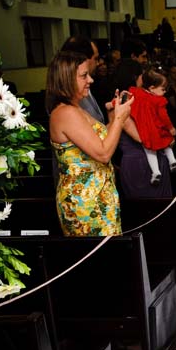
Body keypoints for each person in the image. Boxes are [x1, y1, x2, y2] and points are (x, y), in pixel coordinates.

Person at [46, 51, 133, 236]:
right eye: (84, 75)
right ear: (66, 78)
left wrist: (112, 116)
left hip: (100, 197)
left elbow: (101, 142)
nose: (91, 80)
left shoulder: (76, 109)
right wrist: (119, 119)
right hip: (86, 203)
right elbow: (103, 153)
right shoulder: (65, 113)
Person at [115, 59, 174, 199]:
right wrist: (166, 137)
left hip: (149, 161)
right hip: (140, 165)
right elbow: (141, 137)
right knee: (148, 209)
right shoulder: (124, 103)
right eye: (142, 74)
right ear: (135, 77)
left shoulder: (146, 100)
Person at [129, 70, 176, 185]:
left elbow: (123, 100)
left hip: (145, 128)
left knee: (150, 149)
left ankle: (156, 172)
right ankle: (172, 160)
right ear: (151, 88)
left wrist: (110, 104)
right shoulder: (158, 100)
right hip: (158, 127)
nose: (165, 91)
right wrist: (171, 127)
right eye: (163, 89)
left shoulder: (137, 94)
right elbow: (163, 116)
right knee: (166, 143)